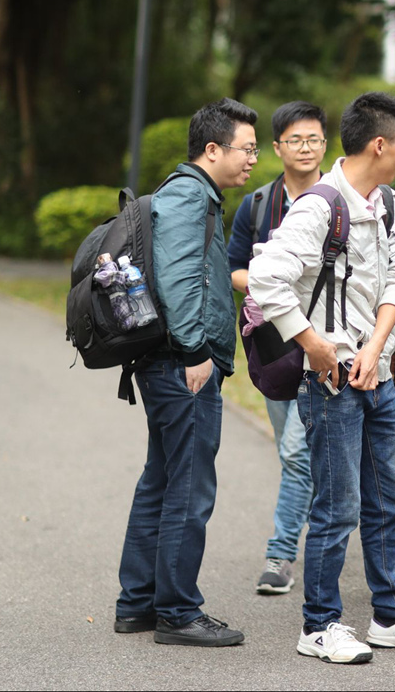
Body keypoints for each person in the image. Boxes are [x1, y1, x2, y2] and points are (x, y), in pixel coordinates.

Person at [249, 92, 395, 665]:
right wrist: (315, 346)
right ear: (380, 144)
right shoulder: (318, 207)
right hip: (330, 384)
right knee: (337, 507)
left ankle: (391, 616)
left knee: (389, 498)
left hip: (379, 375)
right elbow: (265, 279)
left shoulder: (389, 204)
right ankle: (318, 626)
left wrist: (375, 344)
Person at [113, 97, 257, 647]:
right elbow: (176, 280)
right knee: (189, 488)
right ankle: (176, 612)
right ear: (213, 149)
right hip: (182, 364)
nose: (252, 160)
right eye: (246, 149)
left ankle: (138, 604)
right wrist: (196, 351)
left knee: (162, 479)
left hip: (169, 363)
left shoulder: (194, 195)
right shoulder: (189, 196)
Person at [227, 101, 330, 595]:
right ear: (277, 147)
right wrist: (272, 283)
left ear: (325, 145)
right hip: (273, 345)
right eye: (295, 140)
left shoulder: (340, 200)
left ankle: (281, 554)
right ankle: (328, 529)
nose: (305, 148)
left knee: (295, 450)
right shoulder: (258, 204)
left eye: (313, 139)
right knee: (297, 453)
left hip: (325, 342)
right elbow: (232, 267)